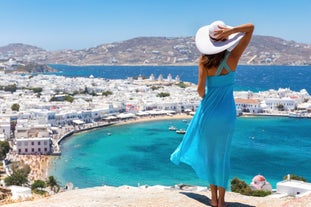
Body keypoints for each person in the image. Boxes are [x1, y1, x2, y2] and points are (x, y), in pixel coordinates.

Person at [170, 20, 254, 207]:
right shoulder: (234, 57)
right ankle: (222, 201)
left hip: (208, 114)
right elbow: (250, 28)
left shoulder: (204, 62)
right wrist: (232, 30)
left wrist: (209, 91)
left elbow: (201, 92)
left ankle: (213, 199)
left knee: (210, 155)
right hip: (226, 115)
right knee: (222, 156)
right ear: (225, 40)